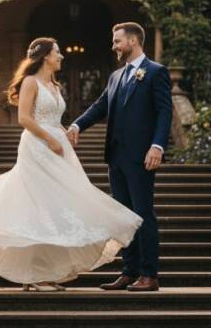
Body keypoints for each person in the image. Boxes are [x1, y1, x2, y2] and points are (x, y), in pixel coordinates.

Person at [0, 37, 143, 291]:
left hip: (58, 147)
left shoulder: (55, 85)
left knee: (52, 209)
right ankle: (32, 275)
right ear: (45, 56)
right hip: (37, 146)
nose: (62, 56)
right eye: (58, 52)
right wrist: (50, 139)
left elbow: (52, 117)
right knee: (35, 205)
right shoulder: (30, 82)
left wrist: (64, 133)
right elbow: (24, 118)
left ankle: (42, 273)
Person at [67, 22, 172, 292]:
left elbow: (164, 112)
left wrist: (157, 146)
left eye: (117, 41)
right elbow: (100, 105)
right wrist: (77, 125)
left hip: (141, 156)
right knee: (123, 217)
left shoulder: (155, 72)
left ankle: (149, 275)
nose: (113, 46)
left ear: (134, 41)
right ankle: (129, 272)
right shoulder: (116, 76)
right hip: (116, 156)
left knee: (142, 214)